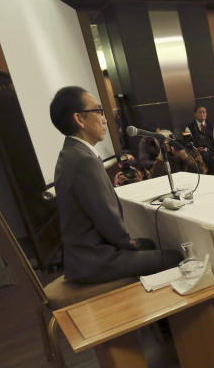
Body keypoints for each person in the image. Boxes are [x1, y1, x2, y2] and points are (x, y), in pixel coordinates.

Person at [49, 86, 179, 284]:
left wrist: (130, 242)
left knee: (149, 243)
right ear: (79, 119)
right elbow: (106, 217)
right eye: (98, 111)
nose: (105, 119)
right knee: (175, 257)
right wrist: (128, 243)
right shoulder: (83, 160)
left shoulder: (71, 153)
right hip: (96, 261)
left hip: (84, 256)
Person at [183, 105, 214, 174]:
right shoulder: (188, 128)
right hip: (198, 155)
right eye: (200, 112)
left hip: (212, 153)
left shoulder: (212, 125)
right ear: (195, 114)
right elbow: (187, 144)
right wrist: (197, 149)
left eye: (204, 112)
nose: (202, 114)